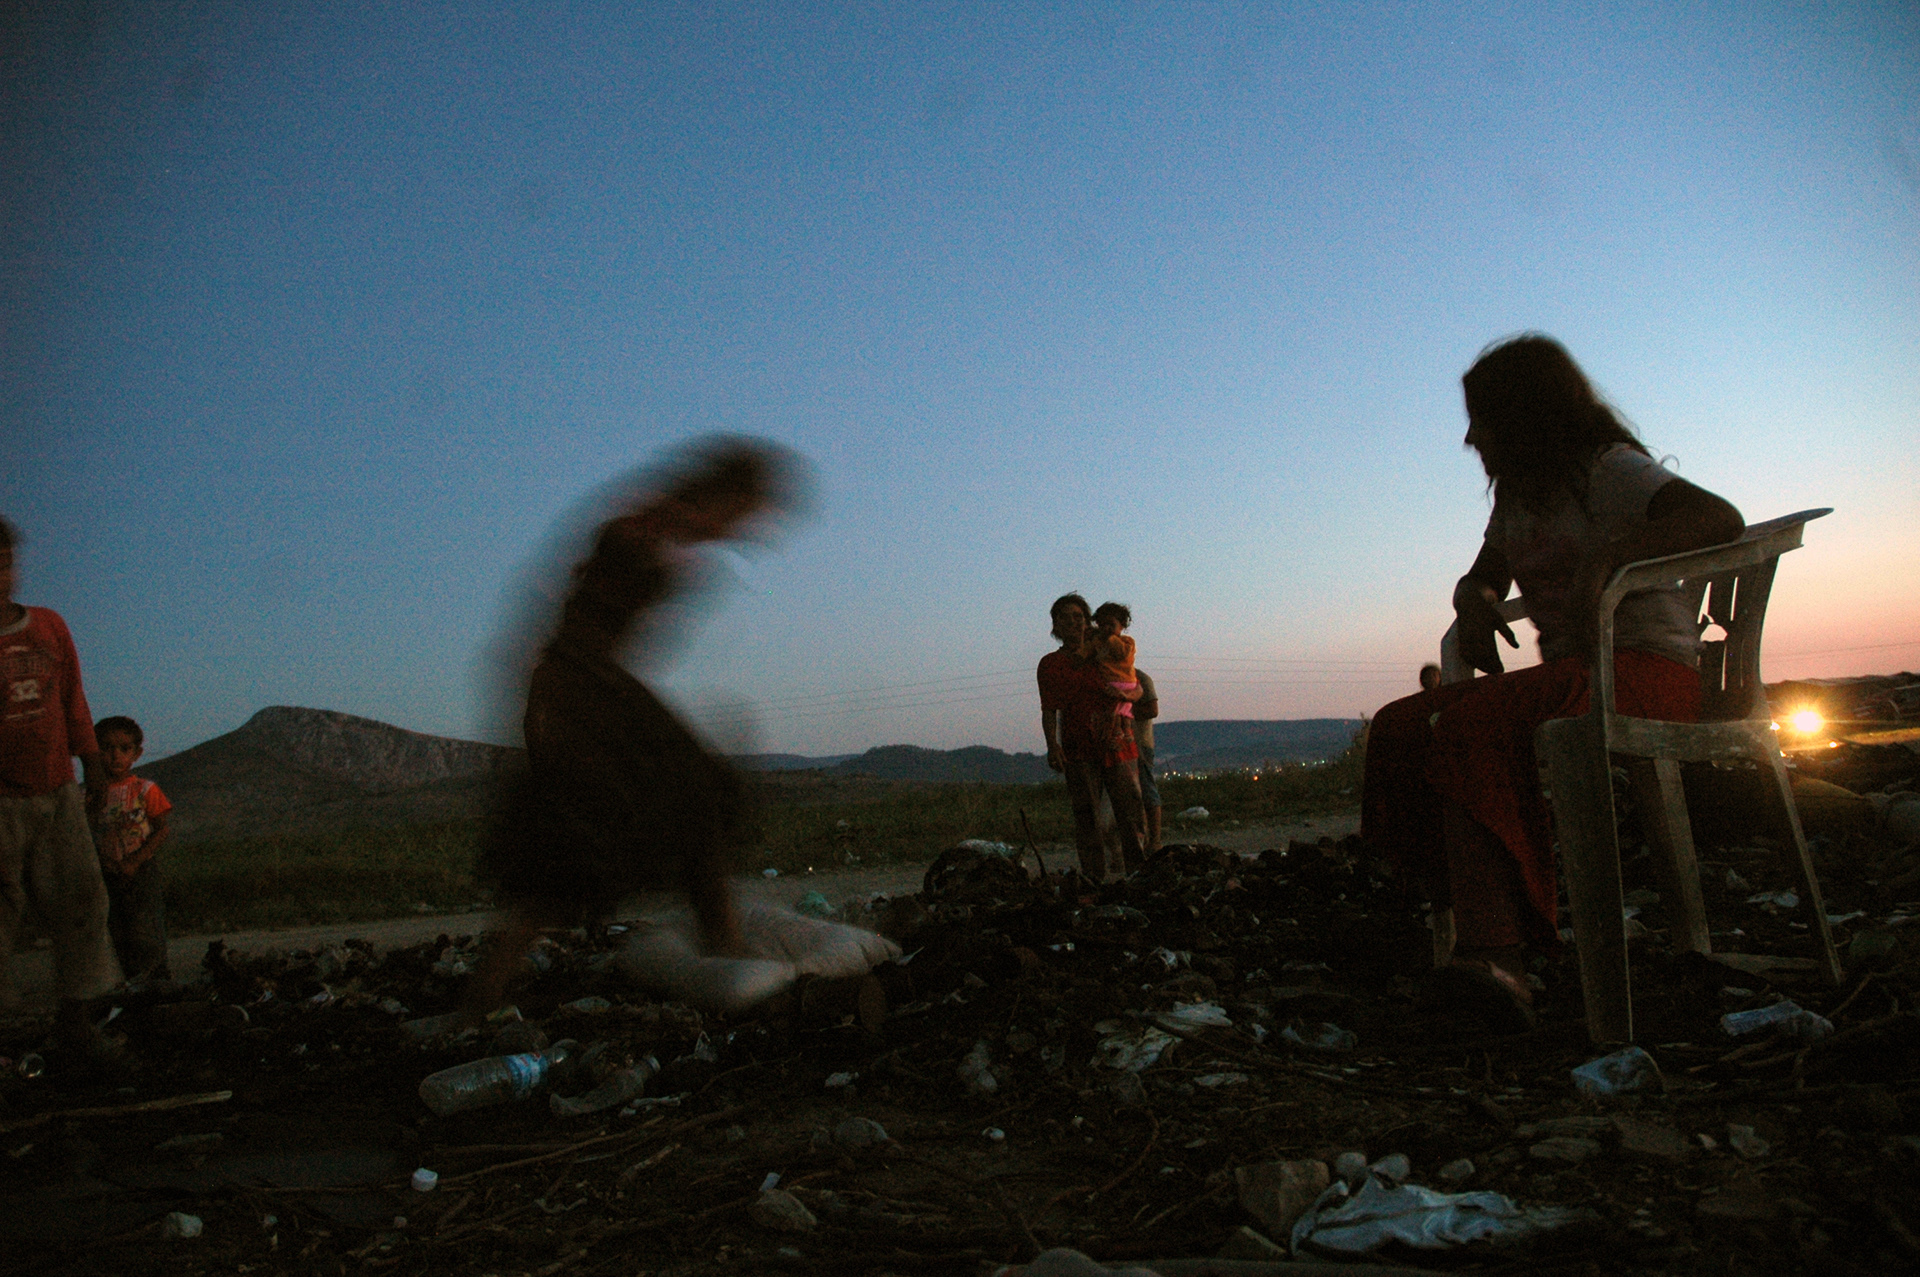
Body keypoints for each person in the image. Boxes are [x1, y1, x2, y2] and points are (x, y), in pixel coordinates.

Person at [1361, 334, 1743, 1030]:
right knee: (1398, 725)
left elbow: (1719, 518)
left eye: (1482, 416)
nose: (1471, 434)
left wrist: (1612, 559)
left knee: (1474, 726)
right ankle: (1439, 912)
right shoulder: (1518, 498)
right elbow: (1485, 573)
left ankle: (1501, 955)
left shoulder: (1607, 472)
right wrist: (1470, 600)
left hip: (1648, 673)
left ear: (1525, 413)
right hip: (1577, 676)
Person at [464, 438, 809, 1019]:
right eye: (744, 514)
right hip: (584, 688)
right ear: (723, 497)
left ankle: (723, 944)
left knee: (678, 805)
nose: (744, 531)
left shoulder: (660, 534)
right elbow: (569, 625)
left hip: (600, 688)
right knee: (595, 835)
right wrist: (551, 711)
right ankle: (481, 999)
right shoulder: (636, 533)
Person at [0, 518, 122, 1058]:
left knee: (83, 899)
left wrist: (91, 765)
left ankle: (78, 1020)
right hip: (0, 803)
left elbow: (73, 697)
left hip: (57, 791)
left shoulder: (48, 627)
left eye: (4, 563)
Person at [1038, 594, 1147, 880]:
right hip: (1078, 745)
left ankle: (1139, 874)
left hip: (1119, 741)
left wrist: (1127, 694)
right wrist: (1053, 745)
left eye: (1079, 616)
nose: (1073, 622)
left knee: (1131, 810)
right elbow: (1049, 709)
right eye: (1065, 617)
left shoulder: (1107, 651)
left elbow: (1138, 688)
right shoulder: (1050, 665)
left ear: (1089, 622)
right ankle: (1094, 879)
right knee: (1087, 816)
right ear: (1055, 626)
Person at [91, 715, 173, 984]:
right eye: (106, 748)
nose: (115, 755)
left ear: (136, 754)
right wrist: (107, 863)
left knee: (146, 928)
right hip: (107, 873)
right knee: (116, 930)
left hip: (141, 870)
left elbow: (161, 829)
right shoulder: (89, 796)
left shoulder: (145, 789)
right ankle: (128, 986)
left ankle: (157, 984)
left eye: (124, 749)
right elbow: (89, 834)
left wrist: (136, 860)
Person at [1133, 667, 1163, 853]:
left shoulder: (1141, 678)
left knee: (1146, 790)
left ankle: (1154, 841)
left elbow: (1152, 709)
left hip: (1140, 743)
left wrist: (1122, 711)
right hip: (1120, 745)